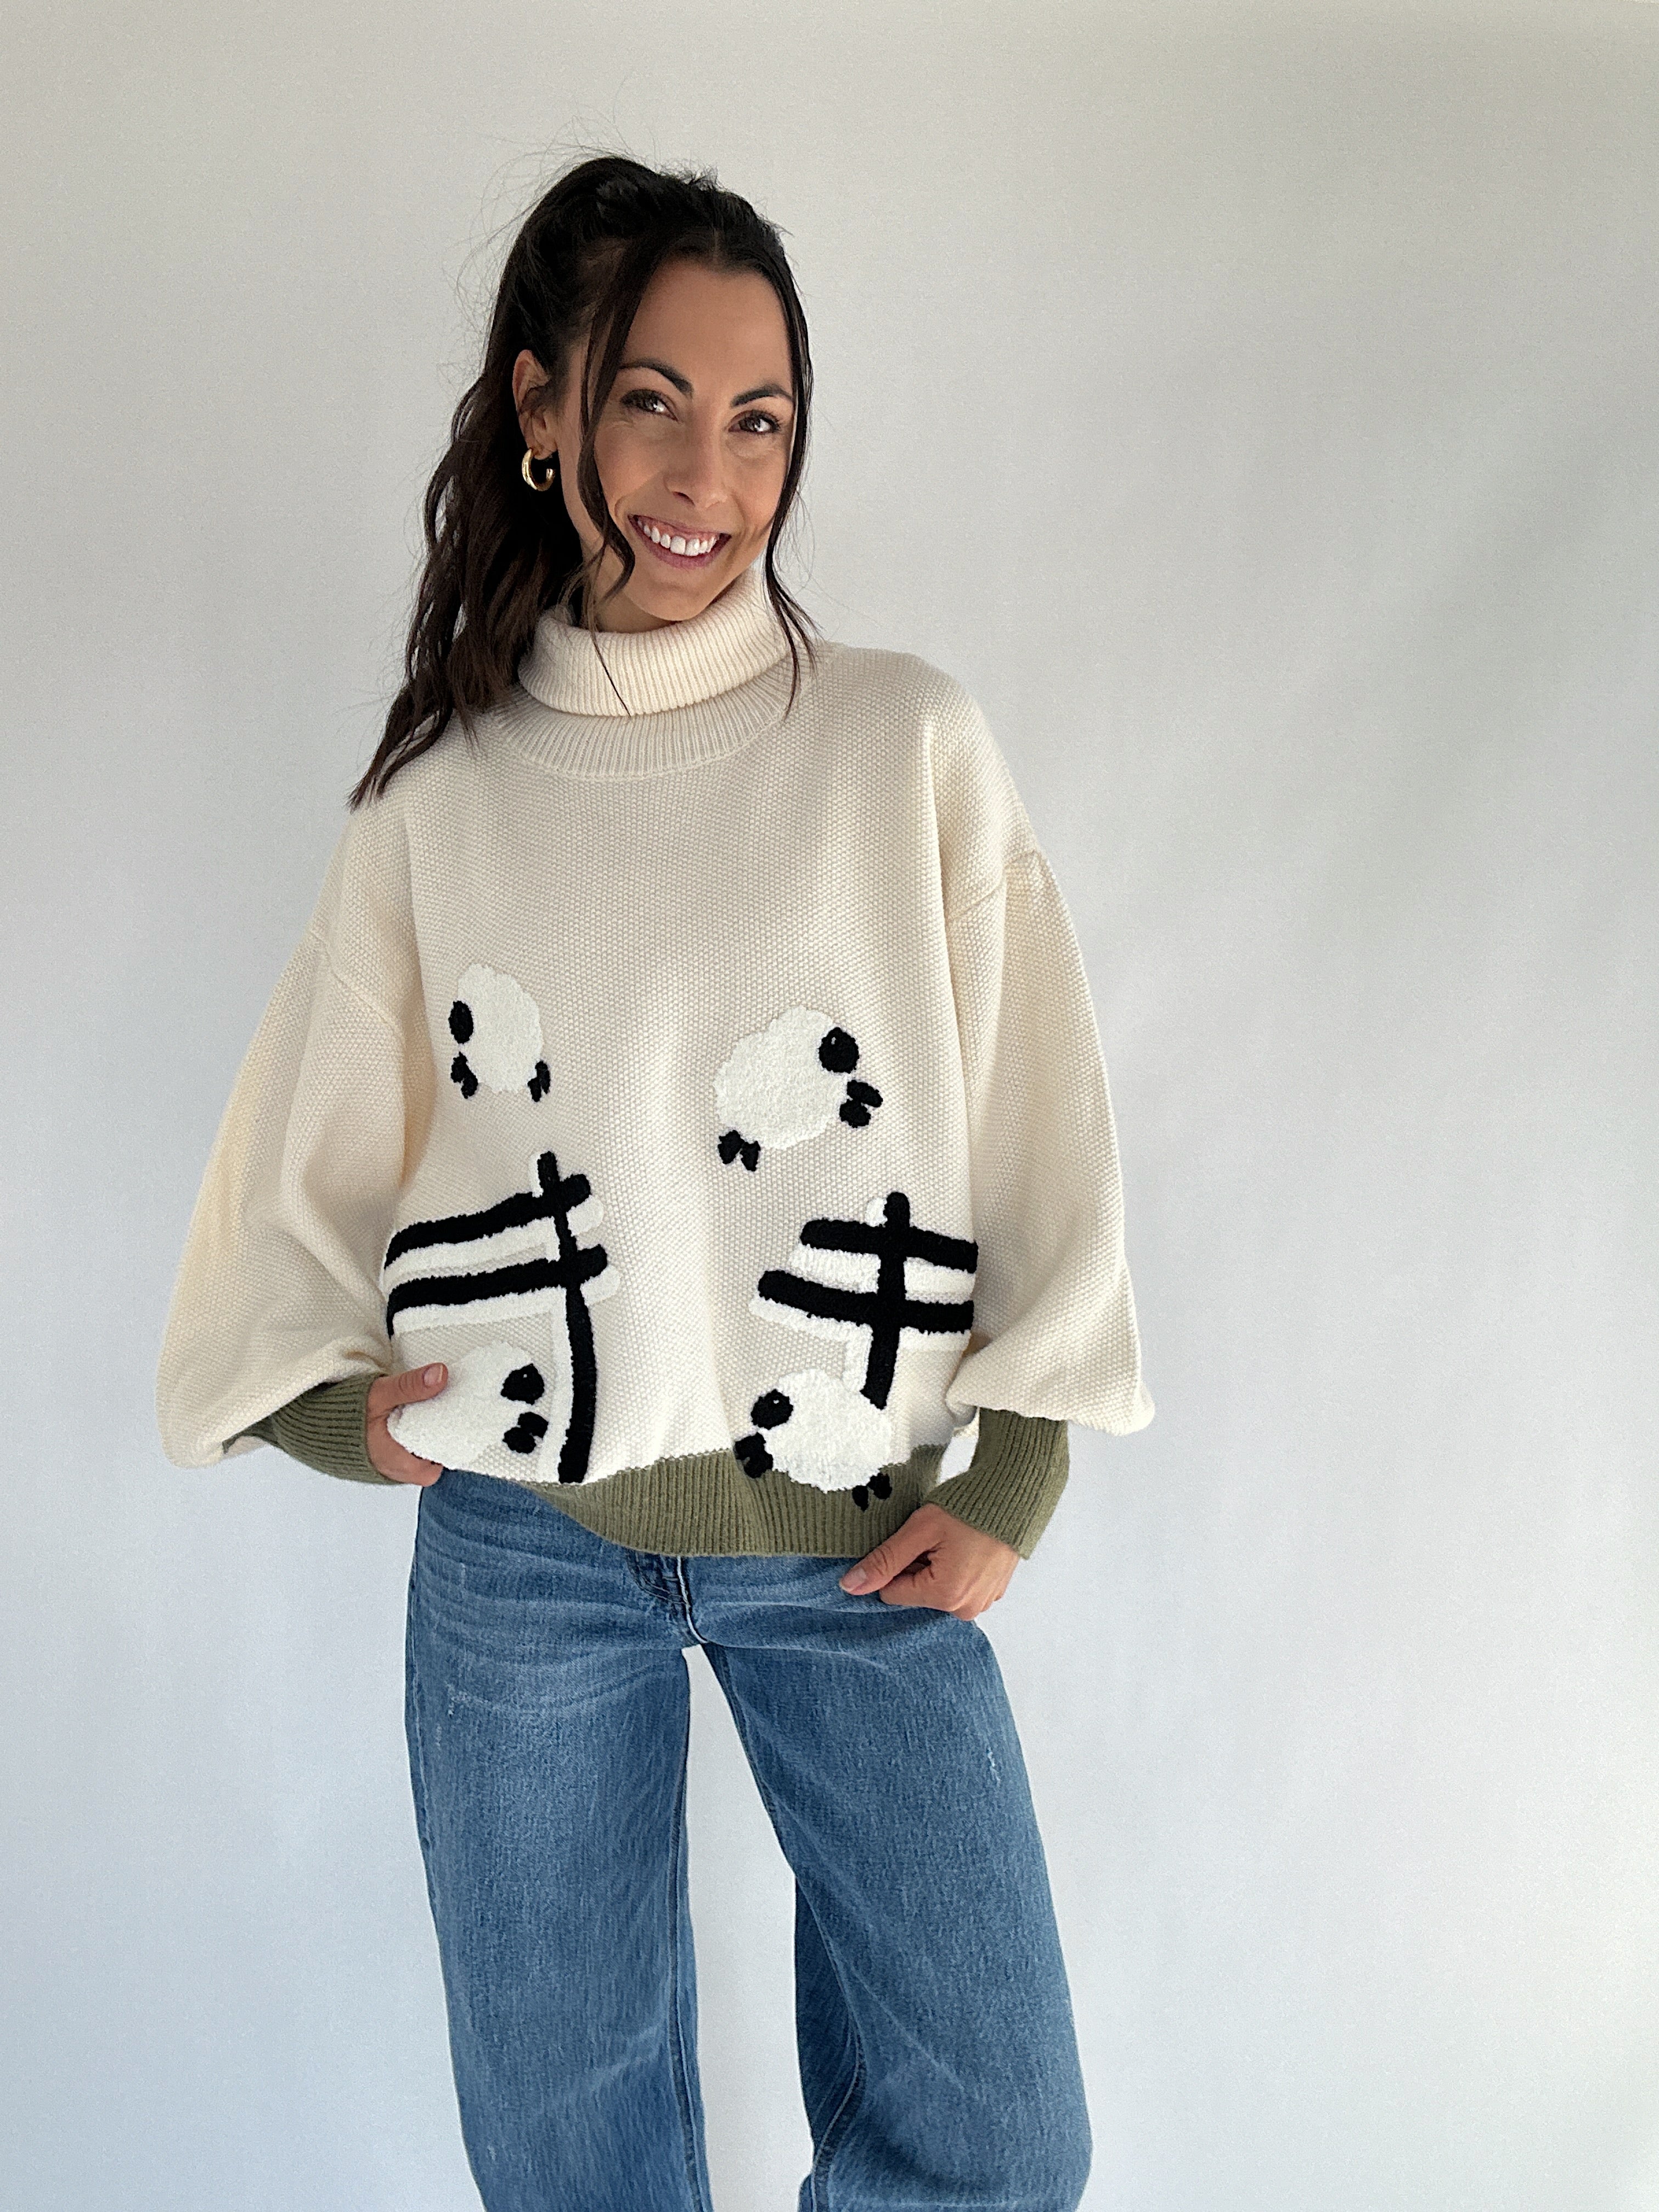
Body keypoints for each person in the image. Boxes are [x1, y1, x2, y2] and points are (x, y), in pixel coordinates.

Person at [155, 152, 1154, 2212]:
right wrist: (320, 1395)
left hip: (864, 1542)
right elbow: (305, 1131)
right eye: (650, 398)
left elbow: (1037, 1087)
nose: (712, 470)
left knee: (1001, 2133)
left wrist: (1026, 1443)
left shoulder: (900, 747)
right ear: (541, 408)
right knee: (572, 2159)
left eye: (762, 414)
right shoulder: (442, 806)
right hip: (526, 1561)